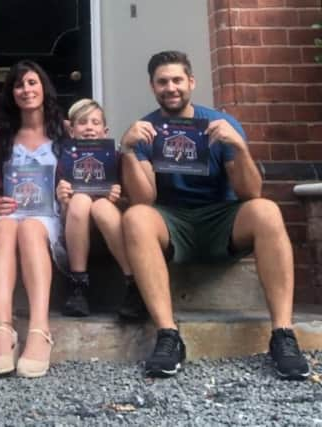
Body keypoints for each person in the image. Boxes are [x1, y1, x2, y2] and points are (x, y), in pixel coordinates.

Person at [120, 50, 311, 380]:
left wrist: (239, 147)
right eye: (163, 82)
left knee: (266, 210)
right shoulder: (146, 130)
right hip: (172, 221)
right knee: (135, 216)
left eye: (177, 80)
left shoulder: (219, 124)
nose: (171, 87)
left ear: (191, 82)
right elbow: (144, 197)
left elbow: (250, 193)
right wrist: (127, 151)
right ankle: (168, 335)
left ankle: (283, 335)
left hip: (222, 219)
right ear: (152, 87)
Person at [0, 60, 66, 379]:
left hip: (47, 215)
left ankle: (39, 329)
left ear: (44, 88)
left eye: (32, 82)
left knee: (31, 228)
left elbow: (78, 175)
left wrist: (66, 191)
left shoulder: (64, 130)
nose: (26, 90)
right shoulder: (0, 135)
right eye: (19, 85)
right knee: (6, 226)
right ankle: (2, 330)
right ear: (12, 93)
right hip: (10, 213)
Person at [56, 98, 146, 319]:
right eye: (82, 122)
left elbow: (133, 201)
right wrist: (62, 198)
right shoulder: (64, 160)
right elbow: (60, 209)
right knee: (80, 200)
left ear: (105, 131)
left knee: (102, 206)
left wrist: (119, 198)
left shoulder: (117, 158)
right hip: (76, 227)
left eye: (95, 122)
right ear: (72, 130)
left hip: (110, 228)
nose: (89, 128)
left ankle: (133, 283)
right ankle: (78, 286)